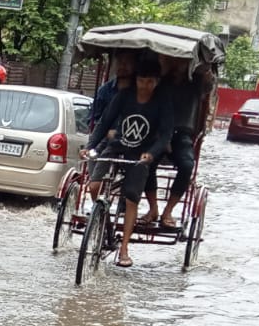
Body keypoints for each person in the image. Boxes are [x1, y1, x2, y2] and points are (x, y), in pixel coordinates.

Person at [83, 53, 173, 268]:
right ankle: (102, 222)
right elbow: (104, 123)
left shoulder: (162, 102)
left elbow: (165, 135)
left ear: (156, 82)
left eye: (150, 82)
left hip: (140, 155)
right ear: (136, 80)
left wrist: (151, 153)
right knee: (94, 186)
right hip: (116, 147)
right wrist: (90, 146)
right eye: (142, 81)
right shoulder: (124, 96)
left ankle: (124, 248)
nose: (145, 86)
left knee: (132, 199)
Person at [148, 54, 213, 229]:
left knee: (187, 165)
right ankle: (153, 208)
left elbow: (208, 86)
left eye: (183, 62)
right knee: (146, 161)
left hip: (182, 134)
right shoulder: (160, 81)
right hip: (158, 133)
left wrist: (208, 72)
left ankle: (168, 210)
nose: (179, 65)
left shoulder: (196, 83)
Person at [90, 51, 134, 129]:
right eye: (119, 61)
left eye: (128, 61)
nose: (123, 65)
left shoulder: (139, 91)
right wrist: (107, 132)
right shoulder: (104, 91)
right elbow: (92, 121)